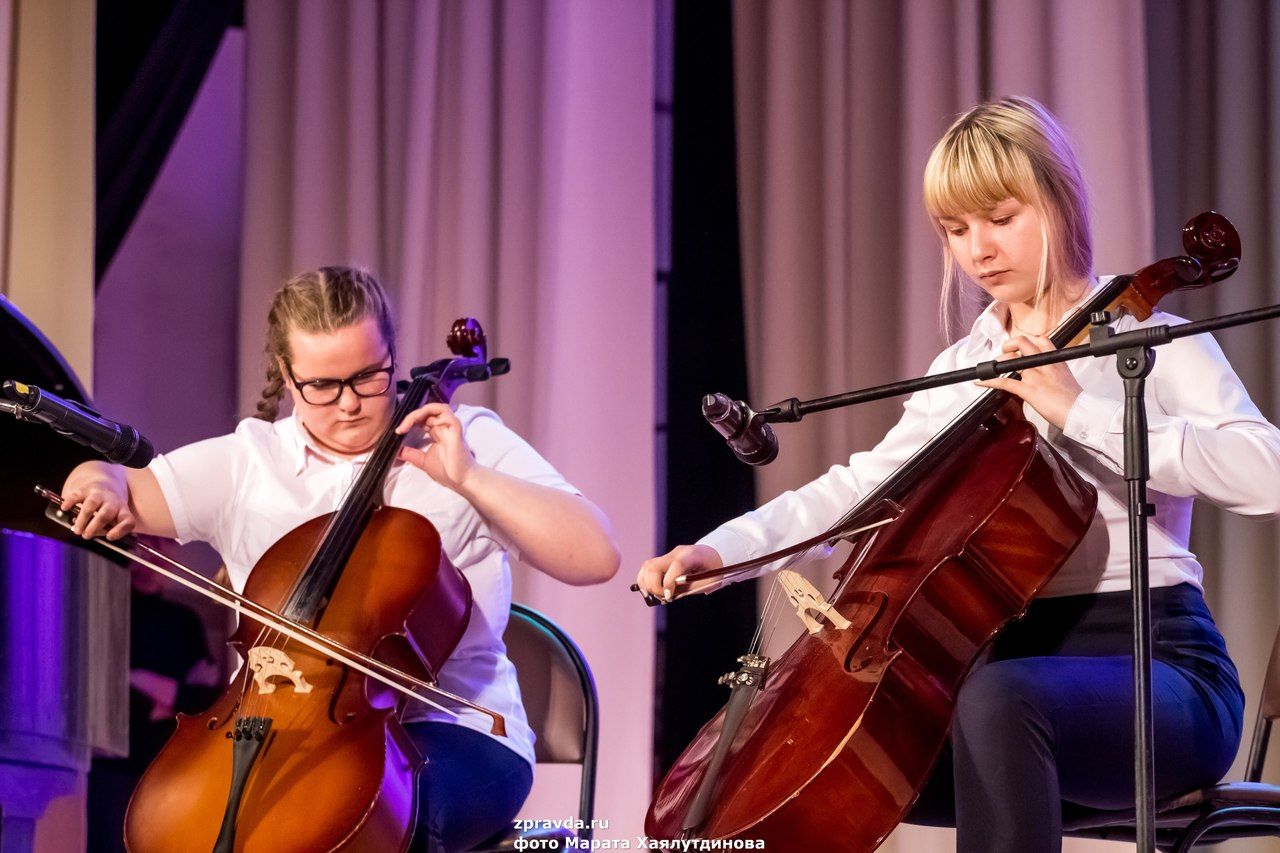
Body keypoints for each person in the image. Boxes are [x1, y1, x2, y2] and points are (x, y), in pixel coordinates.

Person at [635, 96, 1280, 852]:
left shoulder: (1152, 342)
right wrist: (725, 551)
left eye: (1000, 217)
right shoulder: (962, 372)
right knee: (804, 757)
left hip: (1160, 673)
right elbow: (861, 488)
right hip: (999, 680)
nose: (978, 249)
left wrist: (1080, 411)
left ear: (1059, 201)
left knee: (1002, 702)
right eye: (955, 230)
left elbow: (1265, 472)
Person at [62, 266, 621, 852]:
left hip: (457, 732)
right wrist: (99, 485)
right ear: (286, 374)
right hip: (271, 732)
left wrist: (471, 479)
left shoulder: (465, 437)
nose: (350, 404)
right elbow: (114, 478)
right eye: (323, 386)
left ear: (393, 357)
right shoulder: (251, 459)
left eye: (368, 377)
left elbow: (594, 555)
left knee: (360, 821)